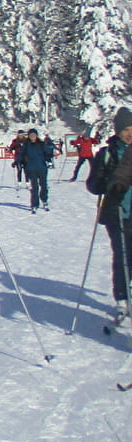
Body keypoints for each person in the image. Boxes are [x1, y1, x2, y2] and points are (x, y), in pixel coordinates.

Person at [88, 107, 132, 324]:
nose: (129, 133)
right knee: (123, 256)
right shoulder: (107, 153)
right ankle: (122, 299)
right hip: (116, 212)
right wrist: (107, 184)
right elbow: (93, 184)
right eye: (125, 129)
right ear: (117, 131)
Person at [16, 128, 57, 212]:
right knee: (34, 187)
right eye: (31, 135)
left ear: (36, 135)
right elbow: (21, 154)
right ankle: (34, 204)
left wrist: (50, 152)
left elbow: (47, 153)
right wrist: (17, 162)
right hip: (31, 168)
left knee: (44, 186)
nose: (32, 136)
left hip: (42, 168)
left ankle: (44, 200)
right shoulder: (26, 145)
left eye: (34, 135)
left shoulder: (41, 144)